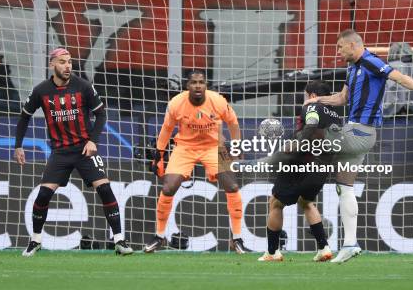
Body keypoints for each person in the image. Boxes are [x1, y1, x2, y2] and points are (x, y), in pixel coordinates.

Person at [304, 29, 413, 263]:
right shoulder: (352, 68)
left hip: (360, 132)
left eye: (340, 47)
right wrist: (317, 100)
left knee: (311, 134)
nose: (338, 52)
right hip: (356, 132)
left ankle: (292, 163)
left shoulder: (370, 61)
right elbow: (341, 99)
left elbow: (395, 75)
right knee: (344, 187)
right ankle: (350, 244)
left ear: (352, 45)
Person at [14, 48, 133, 256]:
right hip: (60, 152)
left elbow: (101, 115)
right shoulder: (41, 90)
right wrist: (18, 145)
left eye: (69, 62)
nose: (67, 66)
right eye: (62, 62)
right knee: (43, 194)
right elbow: (24, 116)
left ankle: (120, 240)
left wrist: (93, 141)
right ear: (52, 65)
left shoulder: (84, 86)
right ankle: (35, 240)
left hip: (84, 149)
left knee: (105, 189)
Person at [143, 69, 247, 254]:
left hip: (215, 146)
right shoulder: (176, 103)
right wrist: (158, 155)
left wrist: (237, 147)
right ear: (187, 86)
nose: (198, 86)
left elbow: (233, 123)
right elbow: (166, 129)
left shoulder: (218, 101)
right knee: (168, 188)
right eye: (194, 82)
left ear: (206, 85)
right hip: (185, 147)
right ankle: (159, 236)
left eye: (201, 82)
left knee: (232, 186)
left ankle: (237, 238)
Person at [259, 80, 340, 262]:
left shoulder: (312, 106)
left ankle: (272, 252)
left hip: (301, 161)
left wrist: (298, 143)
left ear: (312, 95)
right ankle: (323, 248)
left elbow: (311, 126)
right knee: (307, 202)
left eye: (305, 95)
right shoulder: (335, 115)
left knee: (275, 202)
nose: (305, 99)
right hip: (322, 166)